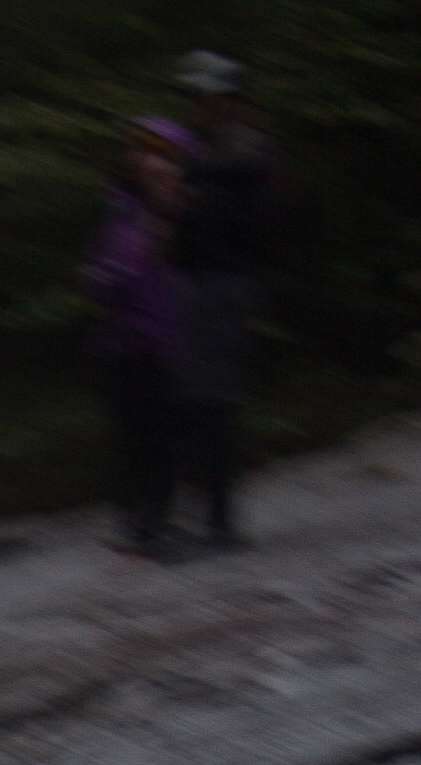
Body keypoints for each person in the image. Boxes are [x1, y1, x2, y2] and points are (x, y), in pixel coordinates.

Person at [167, 51, 285, 552]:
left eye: (203, 96)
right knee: (199, 399)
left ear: (225, 98)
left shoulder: (243, 145)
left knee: (213, 399)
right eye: (194, 97)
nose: (196, 105)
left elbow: (242, 171)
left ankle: (220, 524)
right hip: (205, 281)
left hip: (227, 282)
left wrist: (187, 173)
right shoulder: (211, 149)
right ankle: (208, 517)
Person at [84, 126, 197, 558]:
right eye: (156, 166)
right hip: (130, 345)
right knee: (143, 438)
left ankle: (150, 523)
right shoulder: (125, 222)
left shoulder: (168, 218)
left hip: (157, 340)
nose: (165, 172)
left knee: (157, 437)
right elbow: (101, 282)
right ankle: (143, 527)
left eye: (170, 166)